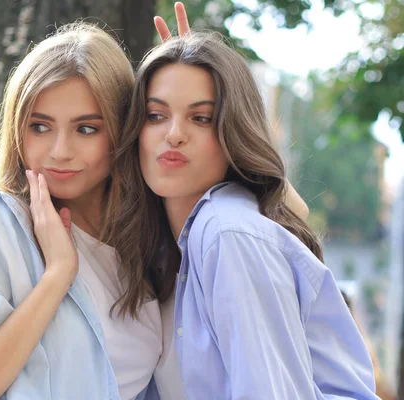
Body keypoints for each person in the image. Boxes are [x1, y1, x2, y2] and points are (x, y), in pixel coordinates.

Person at [0, 22, 170, 400]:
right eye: (40, 126)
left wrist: (180, 92)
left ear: (123, 129)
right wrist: (57, 276)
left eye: (86, 129)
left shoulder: (145, 237)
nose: (59, 150)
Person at [120, 23, 380, 399]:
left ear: (232, 131)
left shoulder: (227, 234)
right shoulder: (171, 249)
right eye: (156, 115)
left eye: (201, 117)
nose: (174, 134)